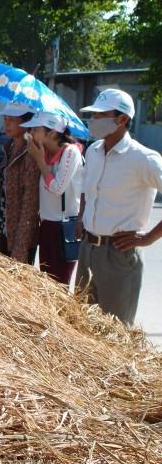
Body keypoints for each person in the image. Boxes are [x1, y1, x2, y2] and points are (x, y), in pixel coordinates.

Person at [75, 89, 162, 325]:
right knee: (79, 327)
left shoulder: (143, 158)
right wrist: (82, 216)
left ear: (122, 119)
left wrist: (148, 239)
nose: (93, 121)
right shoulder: (93, 151)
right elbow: (87, 187)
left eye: (100, 115)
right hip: (88, 251)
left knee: (114, 335)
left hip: (118, 255)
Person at [22, 112, 83, 284]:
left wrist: (40, 160)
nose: (31, 133)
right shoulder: (45, 154)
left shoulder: (70, 152)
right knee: (46, 283)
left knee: (59, 285)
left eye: (36, 129)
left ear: (52, 133)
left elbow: (57, 187)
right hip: (47, 225)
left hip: (64, 227)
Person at [0, 103, 40, 265]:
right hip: (3, 228)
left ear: (26, 123)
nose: (7, 123)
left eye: (12, 119)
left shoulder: (31, 152)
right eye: (5, 119)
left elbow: (30, 202)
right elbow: (6, 183)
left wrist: (21, 244)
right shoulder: (10, 147)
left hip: (19, 234)